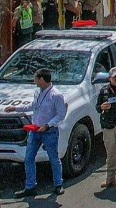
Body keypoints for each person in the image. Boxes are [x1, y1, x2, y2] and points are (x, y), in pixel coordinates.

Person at [6, 68, 66, 198]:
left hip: (49, 131)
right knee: (29, 158)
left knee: (53, 158)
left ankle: (58, 184)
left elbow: (61, 115)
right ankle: (30, 186)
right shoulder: (37, 92)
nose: (34, 81)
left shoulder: (56, 95)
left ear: (42, 79)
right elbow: (33, 106)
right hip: (35, 130)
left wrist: (47, 125)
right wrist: (16, 108)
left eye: (36, 78)